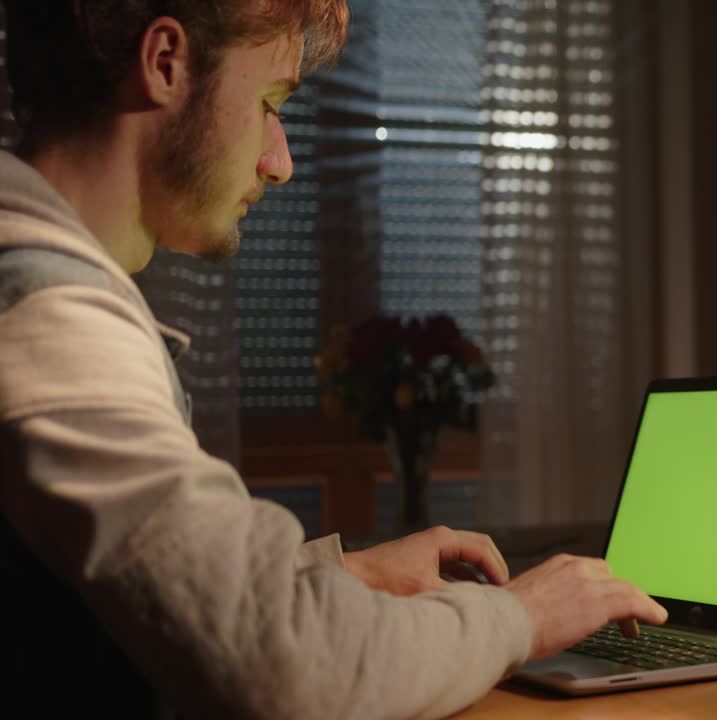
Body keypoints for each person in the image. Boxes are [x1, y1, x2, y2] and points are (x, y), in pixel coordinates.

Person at [0, 1, 667, 718]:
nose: (279, 163)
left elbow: (99, 598)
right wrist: (527, 617)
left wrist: (343, 574)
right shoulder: (50, 320)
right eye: (268, 103)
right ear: (166, 64)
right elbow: (281, 665)